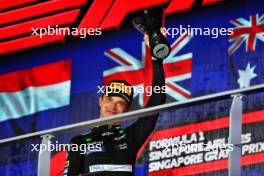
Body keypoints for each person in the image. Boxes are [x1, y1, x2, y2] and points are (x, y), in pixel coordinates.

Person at [64, 32, 166, 176]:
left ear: (127, 110)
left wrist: (157, 56)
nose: (113, 106)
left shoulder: (131, 136)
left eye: (121, 103)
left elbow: (157, 99)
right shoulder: (79, 142)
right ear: (101, 101)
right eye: (110, 99)